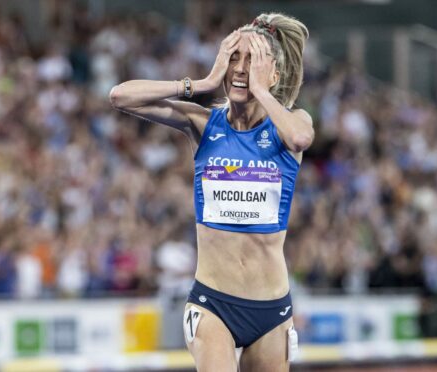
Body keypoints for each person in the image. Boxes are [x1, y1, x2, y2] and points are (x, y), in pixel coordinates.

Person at [109, 12, 313, 371]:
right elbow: (121, 96)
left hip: (270, 308)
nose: (240, 68)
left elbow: (300, 137)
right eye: (234, 57)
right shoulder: (202, 124)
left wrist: (262, 91)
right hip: (212, 302)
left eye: (253, 61)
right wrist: (199, 84)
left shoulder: (290, 126)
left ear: (273, 73)